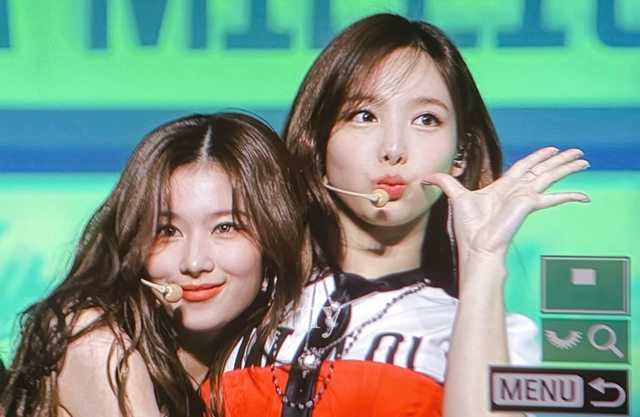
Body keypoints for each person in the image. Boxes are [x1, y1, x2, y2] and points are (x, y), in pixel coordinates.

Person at [214, 13, 590, 417]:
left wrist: (481, 259)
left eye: (426, 120)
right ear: (317, 146)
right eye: (364, 115)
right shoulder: (240, 300)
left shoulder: (499, 334)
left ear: (460, 155)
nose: (394, 149)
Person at [0, 112, 305, 417]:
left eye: (225, 227)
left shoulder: (281, 352)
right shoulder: (95, 340)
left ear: (274, 238)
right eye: (167, 231)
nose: (194, 262)